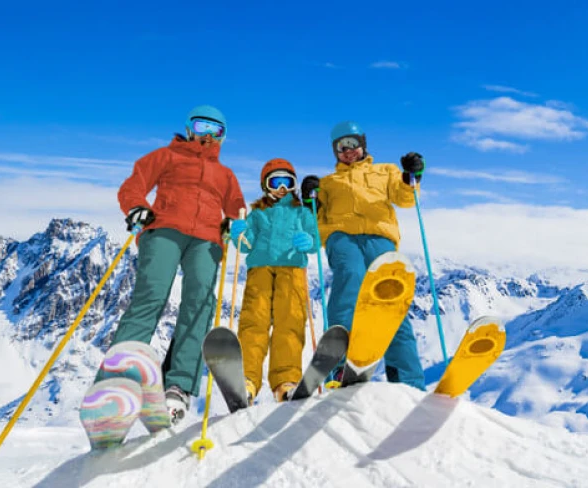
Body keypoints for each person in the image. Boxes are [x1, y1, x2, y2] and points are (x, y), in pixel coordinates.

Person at [113, 105, 245, 423]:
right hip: (164, 229)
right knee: (151, 295)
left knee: (199, 304)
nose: (208, 136)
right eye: (202, 127)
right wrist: (136, 207)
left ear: (224, 138)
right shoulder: (166, 156)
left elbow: (237, 205)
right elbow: (133, 186)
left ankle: (179, 386)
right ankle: (119, 379)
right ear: (188, 129)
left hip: (207, 239)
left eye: (217, 131)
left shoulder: (225, 175)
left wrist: (238, 221)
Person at [300, 121, 426, 390]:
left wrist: (411, 175)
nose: (348, 151)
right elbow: (313, 220)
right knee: (350, 279)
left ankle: (408, 382)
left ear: (363, 144)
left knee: (391, 304)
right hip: (341, 236)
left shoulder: (385, 171)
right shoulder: (328, 182)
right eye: (341, 147)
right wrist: (309, 199)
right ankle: (340, 366)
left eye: (352, 144)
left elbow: (406, 198)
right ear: (335, 151)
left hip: (379, 237)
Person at [231, 158, 318, 403]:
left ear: (293, 185)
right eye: (275, 181)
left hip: (292, 269)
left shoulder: (302, 211)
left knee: (289, 323)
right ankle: (247, 380)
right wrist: (238, 234)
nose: (281, 188)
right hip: (260, 267)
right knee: (253, 323)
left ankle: (286, 381)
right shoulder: (258, 212)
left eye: (287, 182)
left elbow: (315, 237)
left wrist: (309, 241)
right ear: (265, 185)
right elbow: (245, 245)